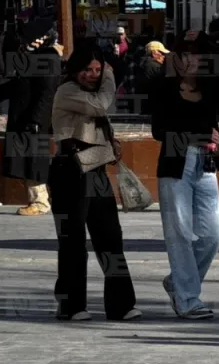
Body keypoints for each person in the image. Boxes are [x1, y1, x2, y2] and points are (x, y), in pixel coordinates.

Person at [49, 47, 140, 322]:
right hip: (70, 172)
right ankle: (71, 305)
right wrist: (110, 76)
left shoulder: (92, 91)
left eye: (98, 70)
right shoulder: (67, 91)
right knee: (73, 242)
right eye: (87, 70)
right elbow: (101, 105)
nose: (92, 75)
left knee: (111, 238)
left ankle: (121, 305)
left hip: (96, 171)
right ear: (75, 70)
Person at [152, 35, 219, 320]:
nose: (192, 60)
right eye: (186, 55)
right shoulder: (164, 87)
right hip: (176, 165)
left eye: (197, 55)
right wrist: (195, 134)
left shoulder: (209, 87)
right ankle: (187, 299)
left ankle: (177, 282)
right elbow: (159, 130)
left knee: (211, 236)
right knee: (180, 234)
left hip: (206, 165)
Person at [0, 18, 59, 217]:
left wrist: (37, 120)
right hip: (24, 117)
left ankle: (40, 202)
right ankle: (37, 199)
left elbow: (47, 92)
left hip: (34, 120)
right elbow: (19, 84)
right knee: (25, 159)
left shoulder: (48, 57)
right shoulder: (32, 56)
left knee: (34, 160)